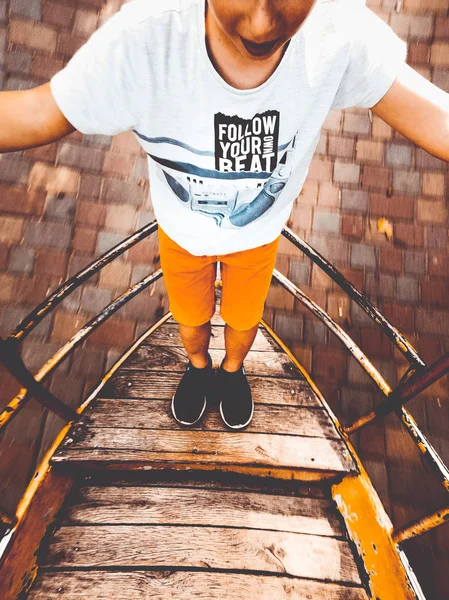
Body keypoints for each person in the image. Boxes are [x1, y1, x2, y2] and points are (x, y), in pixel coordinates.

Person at [0, 0, 448, 431]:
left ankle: (232, 372)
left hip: (258, 238)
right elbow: (39, 112)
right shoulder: (145, 41)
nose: (260, 23)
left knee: (243, 322)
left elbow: (431, 113)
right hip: (180, 235)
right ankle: (198, 367)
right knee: (191, 323)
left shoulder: (338, 31)